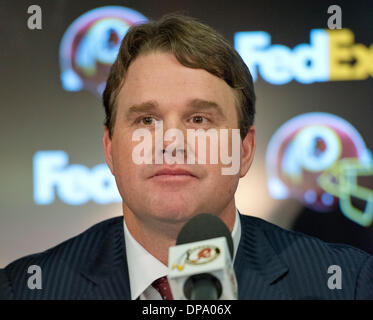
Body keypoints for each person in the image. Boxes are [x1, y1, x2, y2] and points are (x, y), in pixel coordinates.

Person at [1, 14, 372, 300]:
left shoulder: (347, 283)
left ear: (244, 151)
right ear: (110, 150)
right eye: (146, 119)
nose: (172, 142)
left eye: (199, 119)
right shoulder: (25, 289)